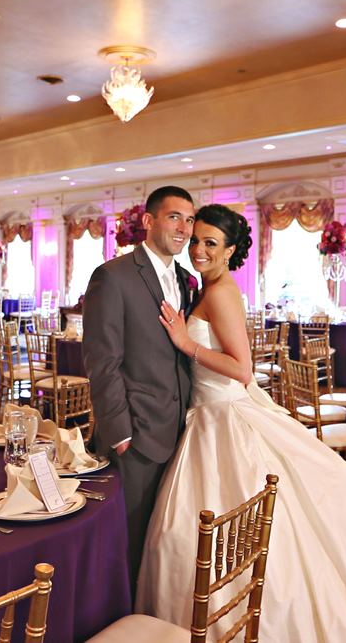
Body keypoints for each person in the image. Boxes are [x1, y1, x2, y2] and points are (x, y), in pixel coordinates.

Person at [137, 203, 346, 642]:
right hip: (207, 415)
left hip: (222, 414)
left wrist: (185, 342)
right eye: (196, 240)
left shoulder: (221, 293)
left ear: (230, 250)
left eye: (210, 243)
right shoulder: (206, 287)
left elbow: (242, 369)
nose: (198, 249)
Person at [82, 186, 197, 591]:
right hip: (138, 434)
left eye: (189, 219)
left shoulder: (186, 279)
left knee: (161, 540)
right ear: (149, 221)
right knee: (127, 541)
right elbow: (102, 361)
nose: (184, 228)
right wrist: (120, 433)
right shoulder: (113, 276)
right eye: (174, 217)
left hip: (182, 430)